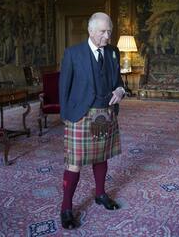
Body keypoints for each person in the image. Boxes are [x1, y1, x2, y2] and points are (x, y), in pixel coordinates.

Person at [58, 12, 125, 229]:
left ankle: (100, 194)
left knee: (101, 156)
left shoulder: (113, 52)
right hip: (80, 115)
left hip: (104, 113)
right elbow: (64, 88)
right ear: (90, 31)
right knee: (74, 162)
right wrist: (68, 118)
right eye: (103, 32)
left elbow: (118, 81)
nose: (107, 36)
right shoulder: (73, 53)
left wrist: (121, 90)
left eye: (109, 32)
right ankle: (66, 208)